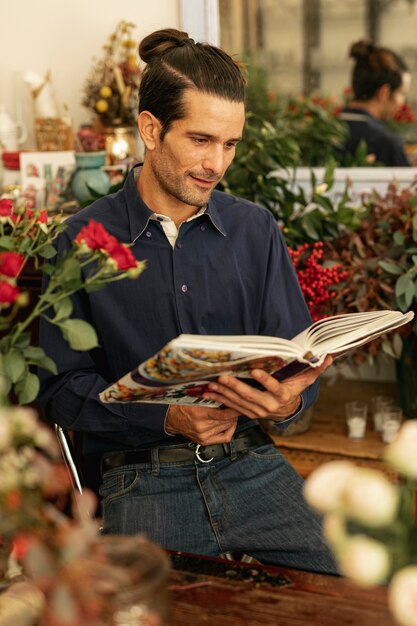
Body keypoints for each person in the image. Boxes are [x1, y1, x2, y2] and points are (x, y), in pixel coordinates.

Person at [38, 28, 337, 574]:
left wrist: (288, 403)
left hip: (253, 465)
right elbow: (60, 390)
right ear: (150, 129)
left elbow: (296, 360)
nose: (217, 164)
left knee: (367, 594)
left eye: (230, 144)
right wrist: (169, 418)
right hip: (141, 479)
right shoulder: (80, 240)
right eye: (200, 140)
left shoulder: (255, 230)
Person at [338, 39, 411, 166]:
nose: (402, 102)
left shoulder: (326, 132)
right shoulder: (385, 143)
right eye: (401, 93)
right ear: (384, 93)